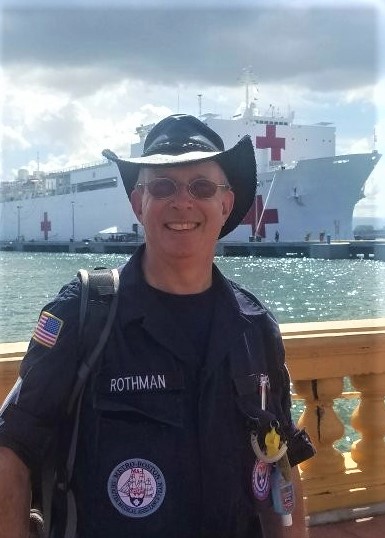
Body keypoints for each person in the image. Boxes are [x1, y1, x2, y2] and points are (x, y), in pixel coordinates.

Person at [0, 114, 314, 538]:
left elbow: (280, 466)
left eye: (201, 187)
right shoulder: (84, 314)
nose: (182, 202)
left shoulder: (255, 327)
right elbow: (11, 451)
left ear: (225, 203)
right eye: (162, 186)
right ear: (138, 203)